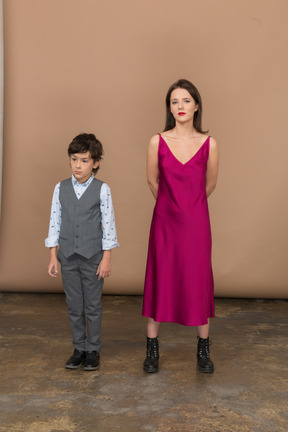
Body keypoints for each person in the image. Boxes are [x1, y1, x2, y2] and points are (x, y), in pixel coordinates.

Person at [142, 79, 219, 374]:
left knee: (197, 279)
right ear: (169, 108)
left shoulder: (209, 144)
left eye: (186, 101)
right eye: (174, 102)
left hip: (197, 224)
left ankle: (203, 350)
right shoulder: (157, 142)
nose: (180, 107)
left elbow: (210, 184)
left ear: (196, 105)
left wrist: (190, 207)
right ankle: (152, 349)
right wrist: (170, 207)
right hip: (164, 222)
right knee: (160, 278)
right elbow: (152, 181)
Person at [45, 133, 119, 371]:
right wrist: (52, 256)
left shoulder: (102, 189)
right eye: (74, 159)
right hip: (67, 256)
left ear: (95, 163)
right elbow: (54, 221)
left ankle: (93, 349)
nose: (78, 165)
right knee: (74, 305)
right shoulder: (61, 187)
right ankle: (79, 348)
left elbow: (108, 225)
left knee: (93, 306)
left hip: (93, 257)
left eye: (84, 160)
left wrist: (106, 258)